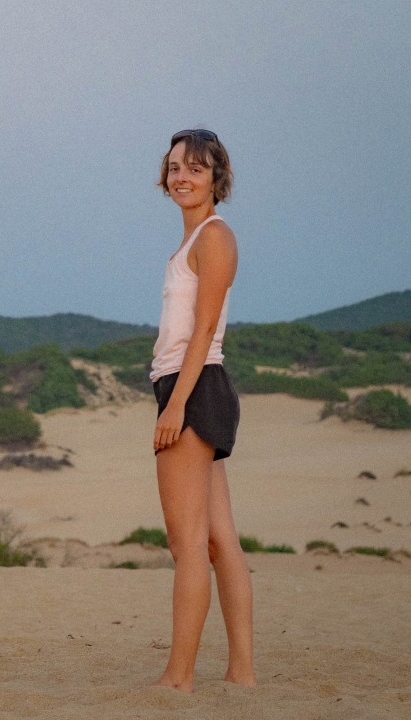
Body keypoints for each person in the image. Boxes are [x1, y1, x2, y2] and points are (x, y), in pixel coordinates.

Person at [150, 129, 254, 692]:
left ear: (218, 177)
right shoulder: (193, 242)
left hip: (194, 387)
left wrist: (176, 407)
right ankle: (241, 675)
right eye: (174, 169)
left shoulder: (215, 237)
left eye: (195, 168)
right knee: (217, 539)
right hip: (196, 386)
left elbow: (205, 330)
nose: (182, 177)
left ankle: (178, 678)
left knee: (185, 542)